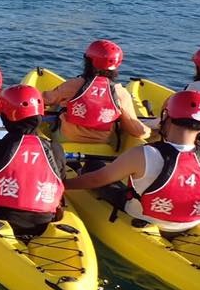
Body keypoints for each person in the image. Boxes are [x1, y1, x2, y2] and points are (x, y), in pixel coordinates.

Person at [65, 90, 200, 235]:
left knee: (93, 166)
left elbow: (96, 179)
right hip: (191, 221)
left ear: (166, 117)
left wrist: (63, 185)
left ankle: (79, 170)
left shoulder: (143, 154)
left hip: (144, 216)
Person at [0, 85, 66, 236]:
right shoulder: (56, 148)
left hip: (0, 215)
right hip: (45, 220)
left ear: (5, 118)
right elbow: (61, 179)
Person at [42, 39, 150, 145]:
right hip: (103, 143)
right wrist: (150, 129)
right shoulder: (121, 93)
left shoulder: (73, 85)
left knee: (58, 105)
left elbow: (46, 100)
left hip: (66, 139)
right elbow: (139, 132)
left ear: (88, 61)